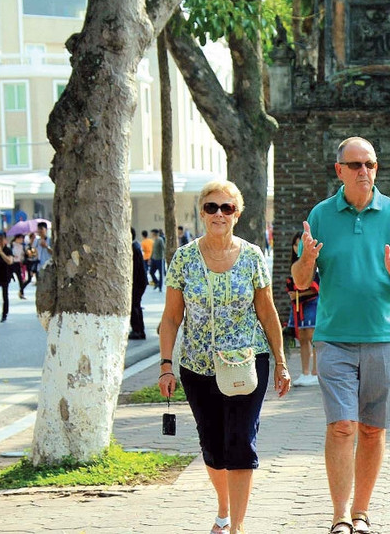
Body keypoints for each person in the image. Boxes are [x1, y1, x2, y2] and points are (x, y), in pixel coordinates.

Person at [292, 136, 390, 534]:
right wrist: (307, 259)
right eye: (356, 165)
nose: (364, 171)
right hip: (334, 337)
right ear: (339, 171)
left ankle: (361, 512)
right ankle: (339, 515)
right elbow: (299, 281)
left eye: (370, 164)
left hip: (384, 336)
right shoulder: (321, 215)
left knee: (372, 428)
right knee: (342, 426)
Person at [158, 179, 291, 534]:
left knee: (241, 441)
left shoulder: (252, 256)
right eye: (211, 207)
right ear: (202, 212)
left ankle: (238, 527)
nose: (219, 214)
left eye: (227, 208)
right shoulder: (183, 258)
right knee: (212, 444)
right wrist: (166, 365)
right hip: (197, 367)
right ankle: (224, 510)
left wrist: (280, 361)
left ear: (238, 214)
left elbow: (267, 312)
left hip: (248, 363)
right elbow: (171, 318)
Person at [286, 231, 320, 387]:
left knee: (314, 338)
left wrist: (302, 292)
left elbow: (316, 287)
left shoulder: (314, 263)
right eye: (295, 244)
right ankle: (304, 371)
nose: (297, 248)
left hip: (312, 303)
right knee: (303, 339)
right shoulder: (293, 265)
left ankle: (315, 372)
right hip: (299, 306)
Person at [129, 228, 148, 340]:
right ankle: (139, 330)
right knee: (136, 305)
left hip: (138, 282)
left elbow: (135, 269)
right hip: (140, 281)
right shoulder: (136, 246)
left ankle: (138, 330)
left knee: (134, 306)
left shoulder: (134, 248)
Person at [0, 232, 14, 323]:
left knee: (5, 296)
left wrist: (1, 252)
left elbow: (9, 261)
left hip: (5, 276)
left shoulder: (8, 250)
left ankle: (4, 314)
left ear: (5, 240)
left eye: (1, 239)